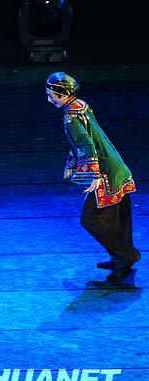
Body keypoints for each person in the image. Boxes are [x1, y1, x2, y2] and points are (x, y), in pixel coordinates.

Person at [46, 72, 141, 279]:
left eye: (52, 95)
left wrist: (94, 175)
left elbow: (86, 143)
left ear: (63, 95)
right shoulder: (80, 105)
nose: (50, 99)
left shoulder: (71, 116)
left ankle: (127, 254)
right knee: (115, 216)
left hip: (105, 170)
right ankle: (120, 257)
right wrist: (71, 162)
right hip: (114, 164)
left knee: (89, 218)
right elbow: (85, 140)